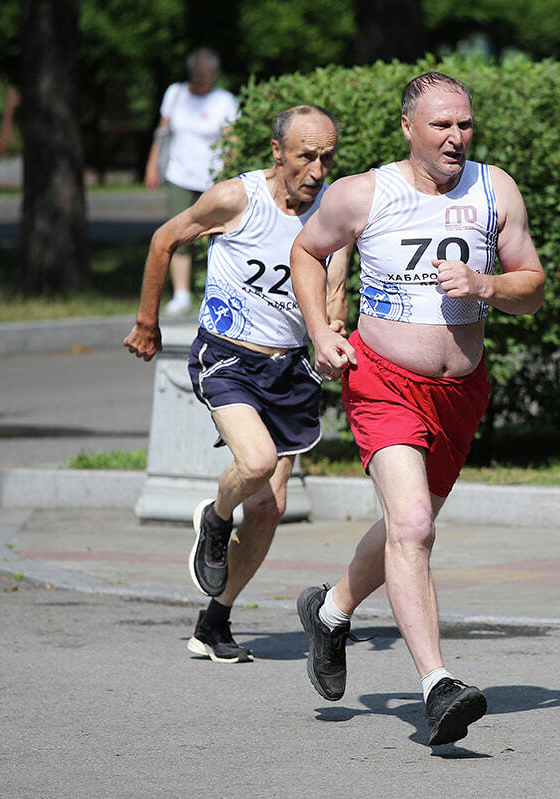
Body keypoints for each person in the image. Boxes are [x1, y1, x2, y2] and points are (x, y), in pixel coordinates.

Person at [288, 72, 545, 746]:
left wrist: (487, 284)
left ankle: (332, 608)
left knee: (412, 524)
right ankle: (436, 683)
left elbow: (532, 287)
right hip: (382, 380)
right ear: (409, 128)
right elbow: (306, 252)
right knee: (412, 522)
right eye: (441, 125)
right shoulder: (363, 194)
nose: (455, 137)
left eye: (463, 124)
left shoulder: (495, 188)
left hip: (461, 390)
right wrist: (321, 332)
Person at [125, 105, 350, 664]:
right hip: (228, 355)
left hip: (288, 369)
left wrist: (332, 336)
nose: (318, 170)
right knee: (254, 464)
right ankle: (216, 518)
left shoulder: (335, 216)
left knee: (271, 508)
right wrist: (147, 321)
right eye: (306, 157)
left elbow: (335, 291)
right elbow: (163, 240)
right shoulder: (236, 199)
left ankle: (215, 621)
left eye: (326, 157)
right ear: (278, 153)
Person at [144, 48, 239, 315]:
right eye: (199, 75)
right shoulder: (175, 94)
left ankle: (214, 290)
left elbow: (232, 140)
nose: (203, 80)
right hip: (179, 174)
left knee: (214, 235)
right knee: (178, 231)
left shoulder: (224, 101)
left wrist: (227, 174)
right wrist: (152, 165)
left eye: (208, 75)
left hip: (212, 178)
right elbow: (162, 133)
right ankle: (182, 293)